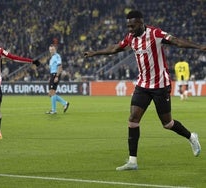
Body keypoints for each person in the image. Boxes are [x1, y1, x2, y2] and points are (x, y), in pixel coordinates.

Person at [84, 10, 205, 170]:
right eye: (128, 26)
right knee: (133, 119)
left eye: (132, 26)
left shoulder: (155, 33)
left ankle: (191, 137)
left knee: (167, 123)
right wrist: (94, 53)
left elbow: (176, 41)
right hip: (142, 85)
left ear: (141, 23)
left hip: (160, 85)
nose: (130, 29)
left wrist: (199, 47)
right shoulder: (130, 38)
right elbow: (115, 48)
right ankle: (132, 161)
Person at [46, 44, 69, 114]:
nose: (51, 51)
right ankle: (65, 103)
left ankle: (54, 110)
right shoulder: (52, 58)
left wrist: (57, 76)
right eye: (50, 50)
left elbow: (60, 67)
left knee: (52, 93)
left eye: (52, 50)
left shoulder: (57, 56)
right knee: (51, 93)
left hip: (55, 75)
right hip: (52, 75)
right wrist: (50, 77)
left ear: (55, 49)